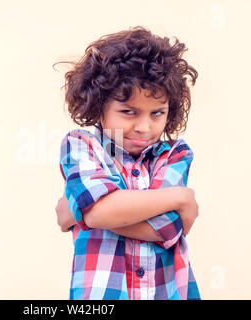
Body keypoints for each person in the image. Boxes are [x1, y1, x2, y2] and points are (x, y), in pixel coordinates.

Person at [54, 26, 201, 300]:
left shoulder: (175, 154)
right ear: (99, 106)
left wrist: (80, 214)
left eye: (157, 113)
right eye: (128, 112)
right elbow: (99, 213)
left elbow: (167, 227)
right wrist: (180, 197)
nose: (144, 127)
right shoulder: (81, 145)